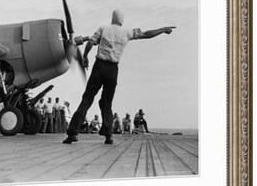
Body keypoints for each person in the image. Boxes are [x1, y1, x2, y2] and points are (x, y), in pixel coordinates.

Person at [63, 9, 175, 144]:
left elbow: (90, 43)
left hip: (99, 67)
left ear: (112, 18)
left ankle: (72, 134)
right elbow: (146, 34)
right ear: (122, 20)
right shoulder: (126, 32)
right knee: (107, 102)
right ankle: (108, 135)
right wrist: (163, 29)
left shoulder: (103, 28)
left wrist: (85, 57)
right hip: (113, 70)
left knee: (87, 99)